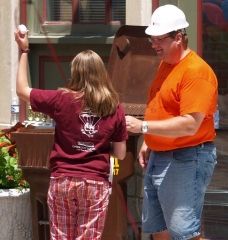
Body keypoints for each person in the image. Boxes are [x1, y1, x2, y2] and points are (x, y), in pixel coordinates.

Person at [14, 30, 127, 240]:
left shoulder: (61, 99)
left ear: (75, 72)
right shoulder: (115, 107)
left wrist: (24, 50)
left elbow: (22, 90)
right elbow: (120, 154)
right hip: (95, 182)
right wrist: (98, 145)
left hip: (63, 180)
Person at [126, 4, 218, 240]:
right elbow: (163, 107)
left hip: (187, 157)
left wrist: (143, 127)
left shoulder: (196, 72)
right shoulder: (166, 64)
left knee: (184, 233)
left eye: (159, 39)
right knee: (160, 229)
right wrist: (149, 141)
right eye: (152, 40)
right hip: (161, 154)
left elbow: (190, 124)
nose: (154, 45)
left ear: (178, 37)